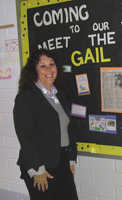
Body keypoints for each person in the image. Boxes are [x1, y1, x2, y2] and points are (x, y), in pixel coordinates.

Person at [13, 49, 79, 200]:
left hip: (61, 161)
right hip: (40, 164)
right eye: (42, 66)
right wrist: (38, 170)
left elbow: (67, 129)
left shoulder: (59, 95)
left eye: (52, 64)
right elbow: (25, 137)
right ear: (33, 71)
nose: (49, 69)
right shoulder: (26, 97)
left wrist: (70, 160)